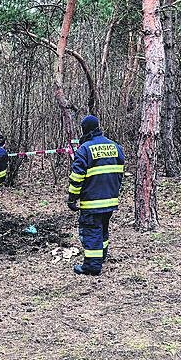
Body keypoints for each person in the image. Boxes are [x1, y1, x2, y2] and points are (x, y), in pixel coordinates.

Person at [67, 115, 124, 276]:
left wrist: (72, 198)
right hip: (110, 199)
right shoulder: (115, 147)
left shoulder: (84, 149)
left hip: (92, 202)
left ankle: (92, 266)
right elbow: (119, 173)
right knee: (103, 229)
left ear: (85, 129)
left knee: (91, 231)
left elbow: (77, 178)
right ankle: (101, 256)